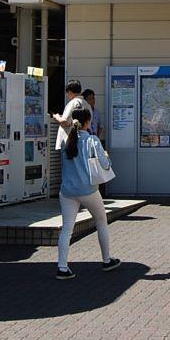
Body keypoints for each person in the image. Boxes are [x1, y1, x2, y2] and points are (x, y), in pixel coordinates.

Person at [56, 107, 120, 280]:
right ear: (88, 122)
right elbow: (105, 164)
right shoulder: (92, 140)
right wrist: (107, 156)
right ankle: (107, 260)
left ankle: (62, 267)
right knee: (101, 221)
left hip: (67, 190)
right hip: (88, 189)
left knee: (67, 228)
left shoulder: (66, 140)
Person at [52, 80, 88, 151]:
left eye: (67, 92)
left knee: (67, 157)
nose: (67, 95)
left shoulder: (73, 103)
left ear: (70, 92)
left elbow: (65, 121)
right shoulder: (86, 104)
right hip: (82, 139)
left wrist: (57, 117)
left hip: (68, 140)